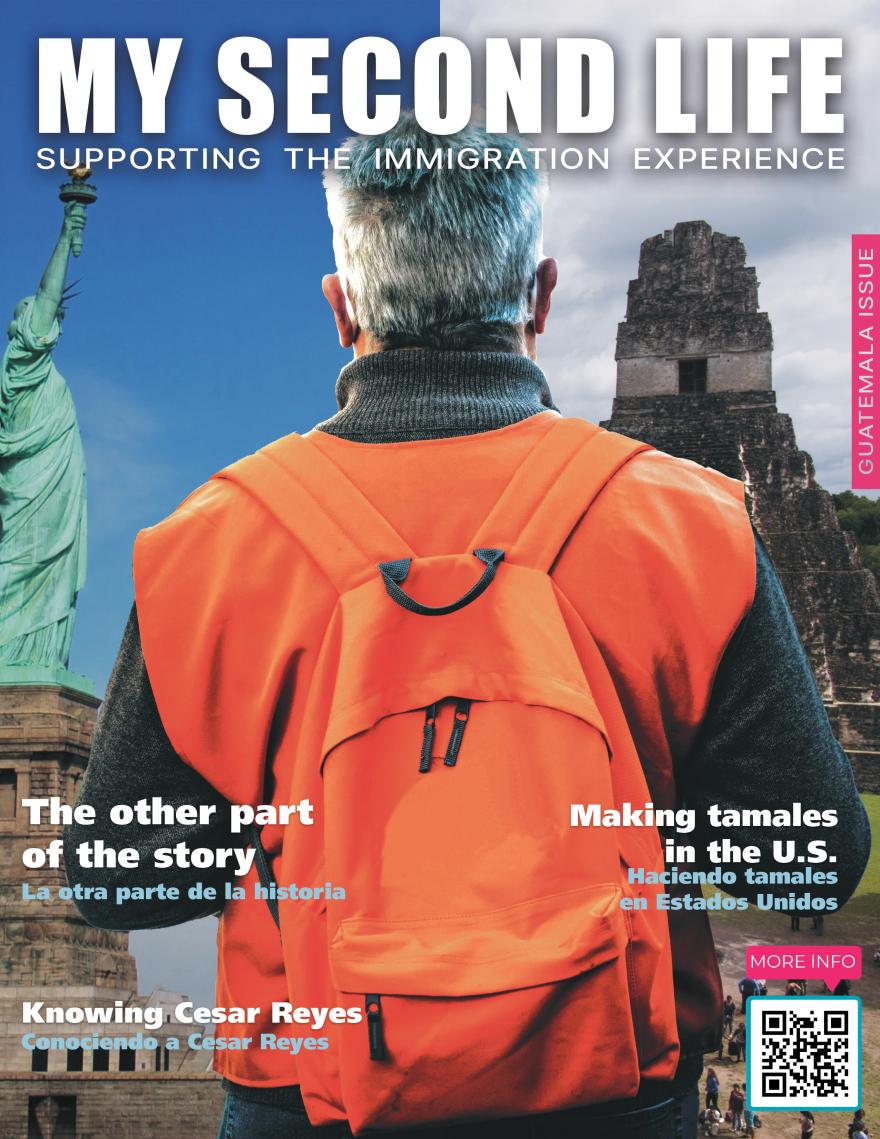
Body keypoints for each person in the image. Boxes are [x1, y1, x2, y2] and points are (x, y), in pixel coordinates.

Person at [63, 115, 871, 1139]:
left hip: (310, 1095)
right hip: (613, 1086)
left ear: (340, 306)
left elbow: (116, 877)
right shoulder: (686, 521)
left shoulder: (207, 542)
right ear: (539, 295)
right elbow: (810, 860)